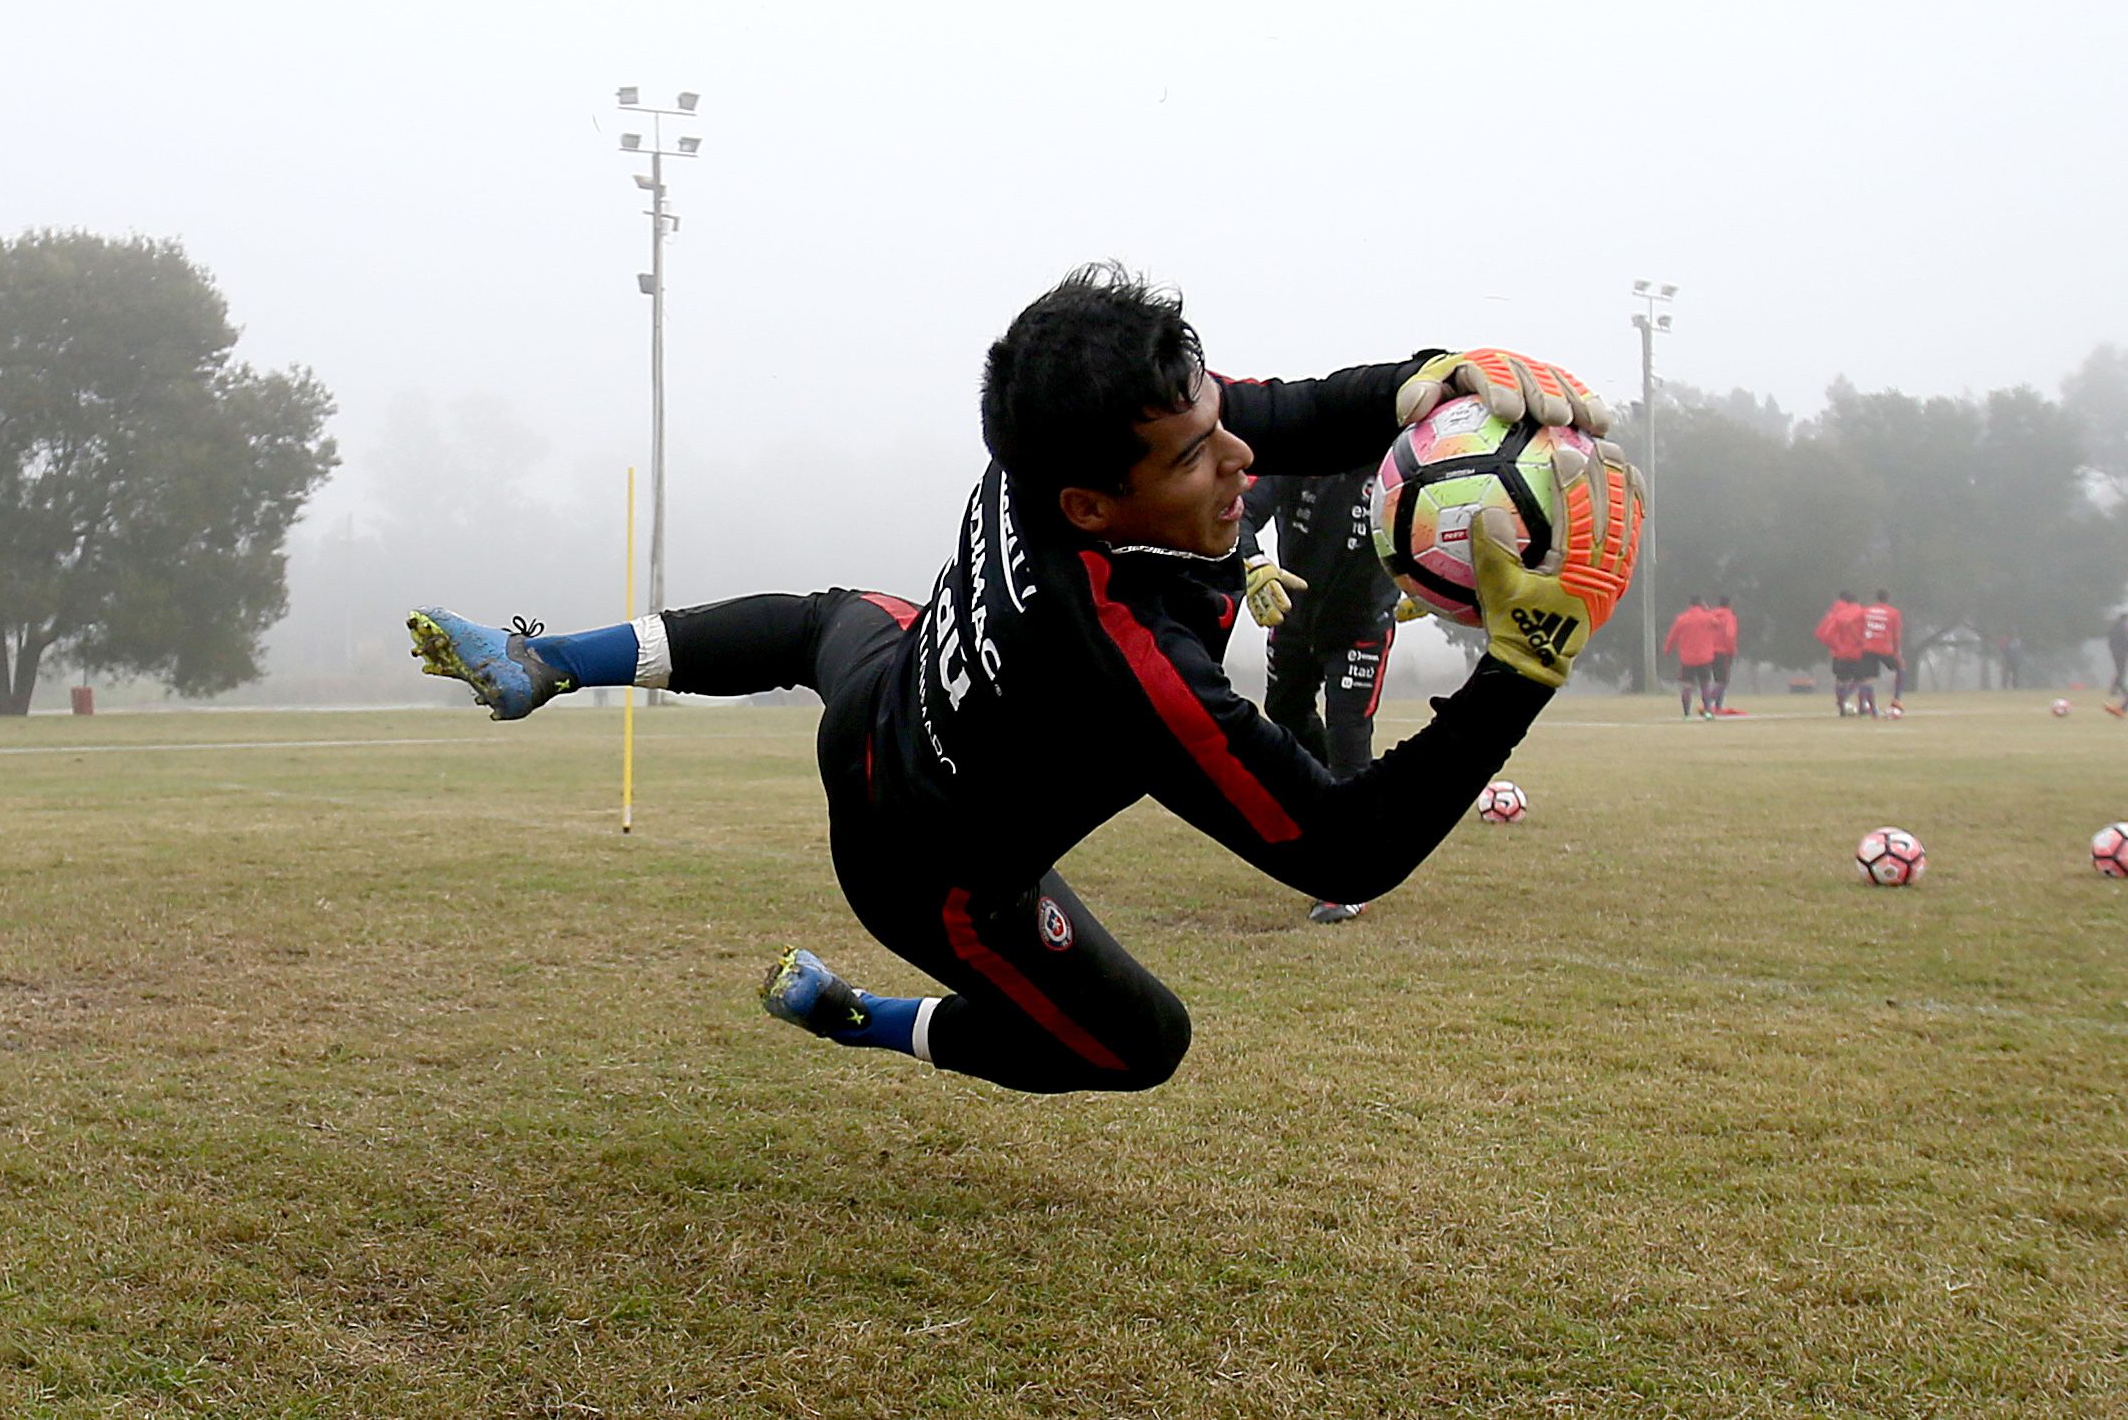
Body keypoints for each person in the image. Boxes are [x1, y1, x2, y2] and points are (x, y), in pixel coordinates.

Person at [405, 266, 1643, 1096]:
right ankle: (858, 1018)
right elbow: (1342, 849)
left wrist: (1432, 381)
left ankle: (543, 662)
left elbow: (1303, 407)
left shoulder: (1052, 445)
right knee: (1141, 1045)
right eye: (1203, 454)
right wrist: (1526, 664)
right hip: (927, 866)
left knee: (824, 621)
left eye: (1218, 418)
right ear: (1094, 506)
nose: (1244, 456)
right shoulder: (1118, 656)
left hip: (897, 685)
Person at [1238, 464, 1405, 922]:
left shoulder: (1398, 464)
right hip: (1293, 615)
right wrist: (1252, 561)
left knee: (1349, 735)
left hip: (1362, 625)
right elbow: (1241, 513)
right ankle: (1341, 798)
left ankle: (1348, 880)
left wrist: (1427, 585)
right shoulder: (1301, 456)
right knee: (1283, 712)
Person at [1663, 596, 1721, 719]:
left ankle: (1687, 714)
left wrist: (1667, 650)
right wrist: (1708, 610)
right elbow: (1717, 624)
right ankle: (1708, 712)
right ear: (1701, 604)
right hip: (1705, 657)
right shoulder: (1707, 617)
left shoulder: (1682, 619)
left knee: (1687, 686)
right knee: (1705, 685)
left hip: (1687, 658)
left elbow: (1672, 636)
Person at [1815, 592, 1866, 715]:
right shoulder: (1863, 612)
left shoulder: (1834, 614)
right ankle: (1861, 708)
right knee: (1862, 680)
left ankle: (1842, 708)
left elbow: (1823, 634)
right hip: (1858, 653)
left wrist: (1837, 646)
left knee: (1841, 680)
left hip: (1839, 654)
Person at [1857, 589, 1904, 717]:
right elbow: (1896, 635)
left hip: (1868, 647)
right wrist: (1896, 652)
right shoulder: (1894, 613)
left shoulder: (1866, 611)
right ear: (1888, 599)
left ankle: (1872, 710)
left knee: (1867, 680)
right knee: (1900, 669)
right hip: (1884, 648)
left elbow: (1859, 629)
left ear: (1876, 598)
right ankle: (1896, 700)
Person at [1709, 594, 1741, 713]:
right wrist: (1732, 650)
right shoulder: (1729, 617)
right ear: (1730, 604)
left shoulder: (1711, 615)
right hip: (1723, 652)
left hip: (1708, 650)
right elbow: (1730, 635)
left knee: (1718, 679)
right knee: (1723, 680)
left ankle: (1718, 707)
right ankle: (1709, 700)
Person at [2107, 614, 2128, 718]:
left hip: (2118, 652)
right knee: (2120, 672)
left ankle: (2121, 709)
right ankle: (2121, 709)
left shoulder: (2118, 628)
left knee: (2120, 672)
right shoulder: (2119, 628)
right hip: (2119, 652)